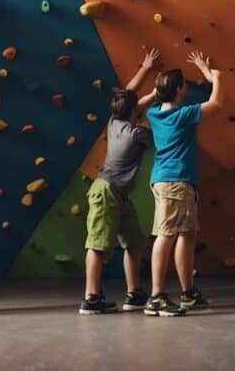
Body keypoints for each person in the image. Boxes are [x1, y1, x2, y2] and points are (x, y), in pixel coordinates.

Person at [80, 49, 160, 315]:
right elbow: (140, 104)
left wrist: (147, 70)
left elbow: (132, 96)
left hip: (118, 194)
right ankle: (91, 297)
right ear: (133, 112)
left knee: (134, 243)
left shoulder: (115, 122)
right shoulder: (138, 134)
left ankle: (134, 293)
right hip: (107, 192)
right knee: (98, 245)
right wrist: (161, 98)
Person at [145, 51, 222, 317]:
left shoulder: (155, 114)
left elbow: (145, 103)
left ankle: (188, 293)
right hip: (174, 181)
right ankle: (155, 297)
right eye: (184, 85)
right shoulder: (184, 114)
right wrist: (214, 75)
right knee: (166, 235)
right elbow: (216, 102)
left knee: (186, 235)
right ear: (179, 89)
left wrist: (158, 90)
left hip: (174, 181)